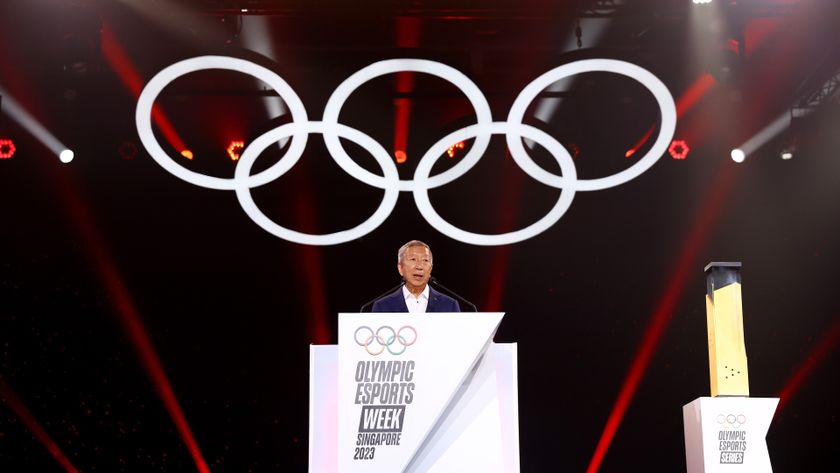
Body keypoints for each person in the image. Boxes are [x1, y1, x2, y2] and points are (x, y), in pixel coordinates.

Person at [371, 240, 460, 313]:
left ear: (431, 269)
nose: (419, 266)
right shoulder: (382, 306)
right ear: (400, 268)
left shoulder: (450, 305)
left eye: (425, 260)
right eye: (413, 259)